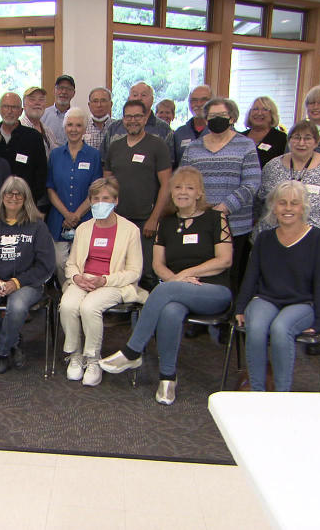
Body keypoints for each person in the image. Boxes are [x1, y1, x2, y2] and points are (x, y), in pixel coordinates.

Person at [99, 167, 233, 405]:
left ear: (199, 192)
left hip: (213, 290)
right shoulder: (166, 223)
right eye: (178, 187)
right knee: (170, 311)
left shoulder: (215, 218)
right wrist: (176, 281)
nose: (183, 192)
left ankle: (132, 351)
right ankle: (167, 379)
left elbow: (224, 260)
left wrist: (184, 275)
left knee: (164, 290)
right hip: (177, 291)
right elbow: (158, 265)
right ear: (171, 192)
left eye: (189, 188)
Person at [235, 180, 320, 392]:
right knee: (257, 327)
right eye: (282, 203)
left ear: (303, 207)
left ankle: (282, 395)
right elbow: (251, 275)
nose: (288, 208)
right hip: (267, 298)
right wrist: (241, 307)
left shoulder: (318, 238)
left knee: (281, 329)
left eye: (294, 203)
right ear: (274, 207)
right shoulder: (264, 238)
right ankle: (258, 392)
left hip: (302, 303)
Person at [59, 177, 147, 387]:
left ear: (116, 201)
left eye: (105, 198)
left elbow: (135, 271)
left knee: (90, 307)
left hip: (113, 282)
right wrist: (77, 277)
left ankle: (93, 359)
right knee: (68, 305)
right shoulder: (83, 228)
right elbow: (71, 264)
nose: (100, 203)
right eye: (95, 199)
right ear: (90, 202)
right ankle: (75, 354)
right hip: (84, 279)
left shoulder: (130, 230)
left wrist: (104, 280)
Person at [0, 176, 56, 374]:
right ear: (2, 197)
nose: (14, 197)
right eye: (9, 192)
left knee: (16, 307)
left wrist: (17, 282)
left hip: (27, 283)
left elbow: (46, 265)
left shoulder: (37, 226)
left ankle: (2, 351)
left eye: (20, 193)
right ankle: (13, 338)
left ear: (26, 199)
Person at [179, 97, 261, 293]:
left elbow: (252, 183)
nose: (216, 119)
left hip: (235, 224)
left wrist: (223, 208)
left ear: (232, 118)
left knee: (231, 273)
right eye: (212, 116)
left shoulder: (246, 145)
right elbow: (183, 181)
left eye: (221, 115)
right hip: (200, 222)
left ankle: (228, 317)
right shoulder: (193, 148)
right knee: (201, 271)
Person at [257, 120, 320, 264]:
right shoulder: (272, 167)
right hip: (279, 242)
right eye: (296, 137)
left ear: (316, 143)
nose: (301, 143)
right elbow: (262, 199)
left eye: (307, 138)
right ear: (289, 141)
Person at [104, 99, 172, 291]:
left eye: (137, 116)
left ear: (145, 118)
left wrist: (154, 219)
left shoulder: (157, 145)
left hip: (145, 221)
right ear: (122, 119)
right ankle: (124, 316)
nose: (132, 120)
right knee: (118, 267)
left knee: (147, 272)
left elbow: (167, 184)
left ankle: (148, 315)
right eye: (128, 116)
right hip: (118, 220)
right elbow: (107, 185)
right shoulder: (115, 147)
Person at [46, 107, 103, 284]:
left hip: (86, 217)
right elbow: (50, 188)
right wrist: (67, 215)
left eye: (78, 125)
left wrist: (76, 215)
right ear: (64, 128)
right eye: (70, 125)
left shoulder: (93, 155)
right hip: (58, 220)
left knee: (84, 261)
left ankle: (80, 293)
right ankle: (67, 291)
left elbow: (95, 190)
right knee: (58, 262)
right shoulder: (55, 154)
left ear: (85, 129)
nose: (74, 129)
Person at [0, 92, 49, 209]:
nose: (9, 111)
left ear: (21, 111)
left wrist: (29, 201)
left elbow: (41, 174)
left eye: (14, 107)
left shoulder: (33, 137)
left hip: (26, 206)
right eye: (6, 107)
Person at [100, 82, 174, 160]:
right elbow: (104, 161)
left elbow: (169, 163)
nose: (139, 98)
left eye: (143, 95)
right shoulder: (114, 128)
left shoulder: (164, 129)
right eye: (135, 95)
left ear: (152, 100)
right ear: (128, 99)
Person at [244, 96, 288, 170]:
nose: (259, 113)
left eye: (265, 109)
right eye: (255, 109)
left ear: (272, 114)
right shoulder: (240, 137)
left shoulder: (281, 138)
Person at [173, 85, 212, 166]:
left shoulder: (220, 131)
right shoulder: (179, 133)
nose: (198, 104)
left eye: (204, 100)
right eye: (194, 100)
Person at [20, 86, 61, 153]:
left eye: (41, 100)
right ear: (24, 105)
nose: (37, 103)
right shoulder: (19, 130)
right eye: (32, 99)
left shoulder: (48, 131)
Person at [41, 74, 75, 145]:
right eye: (60, 88)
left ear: (73, 93)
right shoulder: (42, 115)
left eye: (68, 89)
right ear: (54, 91)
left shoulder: (77, 117)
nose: (64, 92)